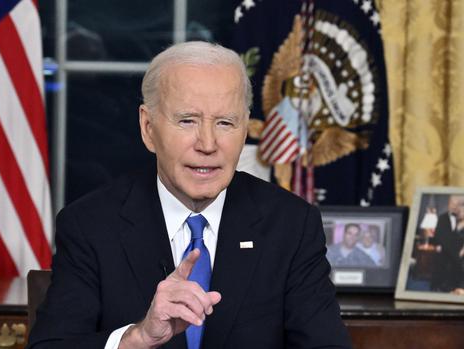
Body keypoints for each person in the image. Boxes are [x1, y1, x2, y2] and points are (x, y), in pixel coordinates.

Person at [28, 41, 351, 349]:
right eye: (187, 121)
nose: (208, 144)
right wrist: (139, 338)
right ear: (148, 128)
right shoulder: (90, 224)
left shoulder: (292, 225)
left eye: (225, 122)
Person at [430, 195, 464, 292]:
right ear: (448, 204)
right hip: (447, 252)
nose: (454, 206)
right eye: (452, 203)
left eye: (456, 204)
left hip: (458, 254)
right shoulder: (442, 218)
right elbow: (440, 237)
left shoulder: (460, 218)